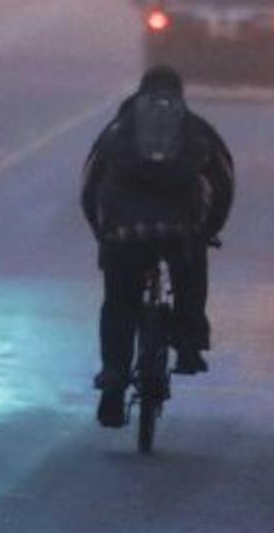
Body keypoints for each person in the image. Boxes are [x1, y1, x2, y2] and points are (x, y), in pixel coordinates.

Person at [79, 66, 235, 428]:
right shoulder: (195, 128)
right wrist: (208, 230)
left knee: (119, 303)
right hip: (180, 230)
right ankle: (189, 345)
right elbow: (223, 182)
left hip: (123, 233)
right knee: (190, 275)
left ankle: (114, 379)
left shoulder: (118, 129)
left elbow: (90, 186)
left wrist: (102, 233)